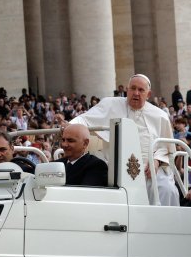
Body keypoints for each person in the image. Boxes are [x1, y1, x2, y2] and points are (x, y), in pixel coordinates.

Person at [70, 74, 179, 206]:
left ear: (148, 94)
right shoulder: (110, 104)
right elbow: (84, 119)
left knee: (167, 189)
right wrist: (70, 126)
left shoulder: (160, 116)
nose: (136, 93)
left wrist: (156, 161)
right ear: (127, 90)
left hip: (150, 168)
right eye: (133, 88)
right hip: (116, 167)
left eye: (141, 90)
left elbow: (166, 148)